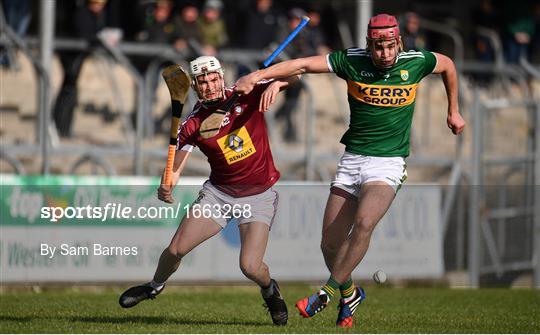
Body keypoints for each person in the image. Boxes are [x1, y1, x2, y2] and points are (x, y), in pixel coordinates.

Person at [235, 13, 465, 328]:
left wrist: (453, 110)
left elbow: (448, 65)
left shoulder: (417, 61)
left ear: (398, 42)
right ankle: (350, 292)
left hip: (388, 163)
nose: (383, 54)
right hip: (353, 159)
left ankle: (326, 293)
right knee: (329, 243)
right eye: (377, 47)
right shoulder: (351, 61)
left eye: (388, 47)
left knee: (364, 222)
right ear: (369, 45)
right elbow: (301, 64)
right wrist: (257, 78)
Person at [119, 56, 299, 326]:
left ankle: (269, 289)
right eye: (203, 82)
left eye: (214, 78)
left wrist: (277, 84)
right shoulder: (192, 123)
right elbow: (175, 166)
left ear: (221, 77)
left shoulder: (247, 91)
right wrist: (167, 183)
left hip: (258, 194)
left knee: (250, 267)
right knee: (176, 249)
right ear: (195, 87)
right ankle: (155, 285)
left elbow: (297, 75)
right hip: (219, 194)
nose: (210, 85)